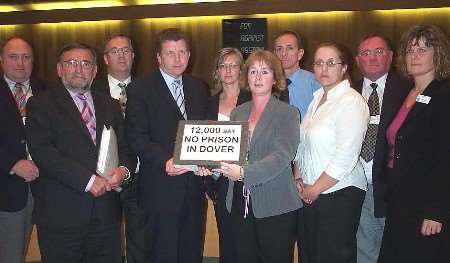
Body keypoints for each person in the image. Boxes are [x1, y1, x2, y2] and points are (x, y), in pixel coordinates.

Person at [25, 43, 135, 263]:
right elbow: (43, 152)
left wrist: (123, 171)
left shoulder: (110, 105)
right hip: (62, 215)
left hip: (106, 214)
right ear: (59, 69)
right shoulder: (40, 104)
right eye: (71, 63)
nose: (79, 69)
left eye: (86, 63)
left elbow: (126, 147)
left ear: (95, 71)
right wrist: (88, 180)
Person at [199, 49, 301, 263]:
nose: (258, 77)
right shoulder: (239, 112)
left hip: (275, 204)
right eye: (253, 71)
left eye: (264, 71)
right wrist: (208, 165)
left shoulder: (288, 113)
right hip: (238, 202)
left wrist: (245, 172)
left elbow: (282, 156)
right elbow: (231, 153)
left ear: (275, 77)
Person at [125, 28, 209, 263]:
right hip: (159, 189)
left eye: (182, 52)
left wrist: (207, 160)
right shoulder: (141, 88)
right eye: (170, 53)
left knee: (191, 251)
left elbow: (204, 133)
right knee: (162, 253)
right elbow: (136, 136)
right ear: (159, 58)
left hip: (193, 187)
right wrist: (165, 160)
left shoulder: (198, 87)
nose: (177, 59)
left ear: (189, 55)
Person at [378, 24, 450, 263]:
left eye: (423, 49)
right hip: (400, 198)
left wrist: (436, 211)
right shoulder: (404, 92)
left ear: (437, 54)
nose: (415, 55)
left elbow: (445, 158)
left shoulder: (443, 95)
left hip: (427, 203)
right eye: (410, 50)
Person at [297, 42, 369, 263]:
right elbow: (302, 146)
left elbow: (345, 156)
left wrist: (314, 189)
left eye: (331, 63)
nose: (324, 69)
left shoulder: (351, 101)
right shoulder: (316, 99)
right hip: (310, 192)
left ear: (344, 67)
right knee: (310, 255)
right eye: (319, 63)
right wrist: (298, 178)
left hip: (339, 193)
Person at [92, 34, 149, 263]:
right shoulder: (92, 91)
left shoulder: (149, 89)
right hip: (103, 181)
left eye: (126, 50)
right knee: (105, 243)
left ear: (133, 56)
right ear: (105, 58)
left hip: (141, 178)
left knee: (141, 242)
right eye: (115, 51)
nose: (121, 55)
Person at [354, 34, 410, 263]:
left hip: (395, 188)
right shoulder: (346, 92)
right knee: (363, 250)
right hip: (356, 184)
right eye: (366, 53)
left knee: (397, 249)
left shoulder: (410, 90)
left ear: (391, 56)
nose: (372, 58)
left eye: (379, 51)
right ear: (357, 60)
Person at [0, 37, 47, 263]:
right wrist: (12, 163)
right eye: (13, 57)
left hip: (48, 189)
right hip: (7, 191)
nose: (20, 63)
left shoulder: (48, 91)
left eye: (26, 57)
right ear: (1, 60)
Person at [205, 47, 251, 263]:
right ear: (217, 71)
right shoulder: (207, 103)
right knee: (227, 240)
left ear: (241, 70)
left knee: (248, 242)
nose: (228, 70)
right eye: (223, 66)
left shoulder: (253, 98)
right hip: (219, 182)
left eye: (233, 65)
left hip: (248, 180)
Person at [273, 30, 320, 115]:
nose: (283, 53)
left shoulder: (315, 83)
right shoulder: (267, 83)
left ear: (300, 54)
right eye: (279, 49)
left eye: (290, 48)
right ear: (274, 53)